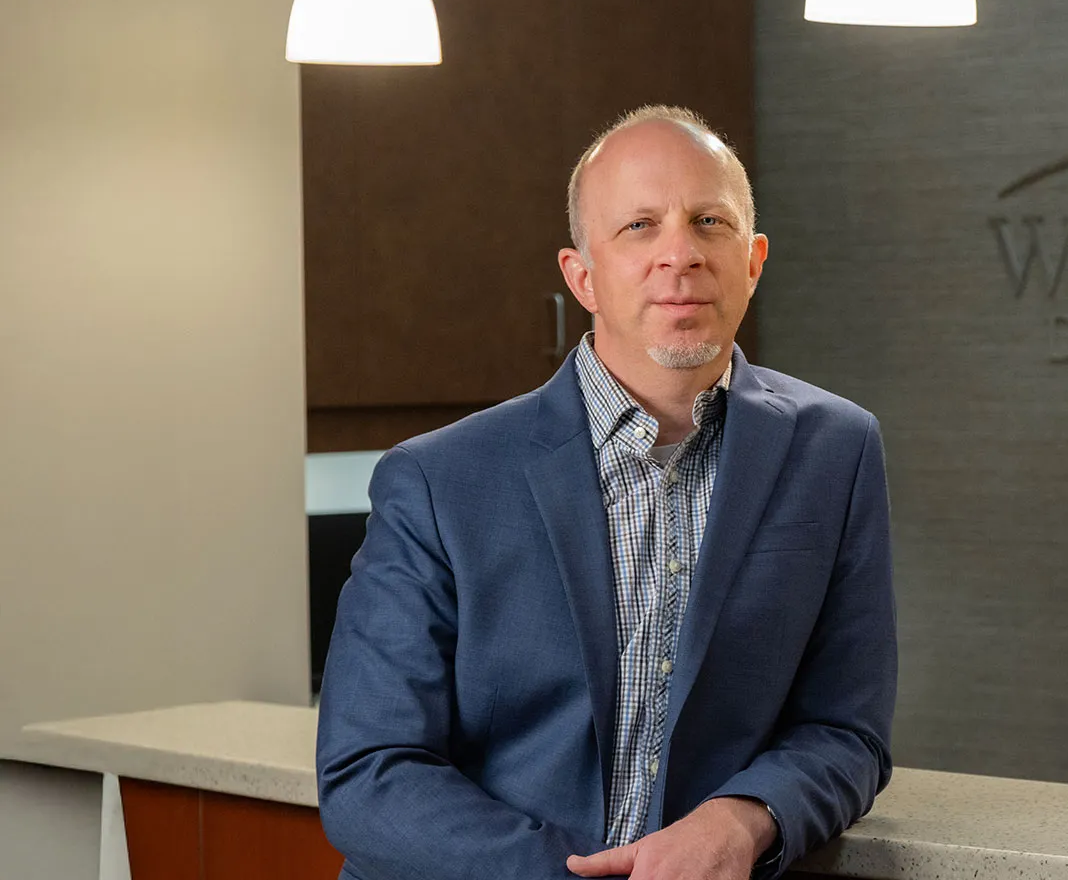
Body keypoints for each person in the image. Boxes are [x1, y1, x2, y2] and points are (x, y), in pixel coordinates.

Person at [316, 106, 896, 880]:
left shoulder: (838, 450)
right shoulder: (438, 480)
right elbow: (368, 772)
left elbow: (846, 728)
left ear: (753, 261)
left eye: (709, 222)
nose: (680, 255)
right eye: (639, 227)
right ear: (580, 276)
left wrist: (744, 818)